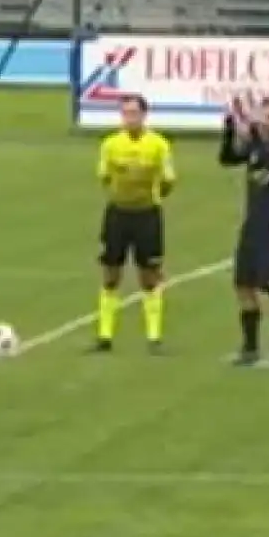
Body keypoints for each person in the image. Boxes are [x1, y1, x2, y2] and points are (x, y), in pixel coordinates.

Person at [219, 96, 269, 367]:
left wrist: (252, 131)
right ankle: (250, 348)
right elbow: (228, 158)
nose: (267, 120)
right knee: (243, 284)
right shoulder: (255, 146)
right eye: (264, 115)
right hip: (253, 225)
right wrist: (231, 125)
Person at [93, 94, 175, 354]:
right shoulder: (110, 144)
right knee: (110, 273)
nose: (129, 118)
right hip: (118, 214)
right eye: (125, 113)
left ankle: (154, 336)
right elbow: (104, 177)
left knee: (149, 275)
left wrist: (153, 194)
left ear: (144, 115)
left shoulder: (158, 145)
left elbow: (168, 179)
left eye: (133, 113)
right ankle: (104, 335)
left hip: (147, 215)